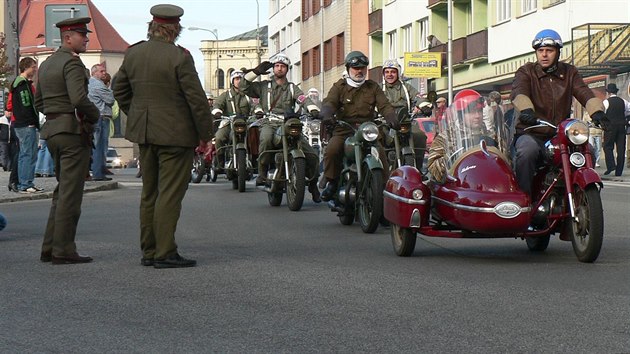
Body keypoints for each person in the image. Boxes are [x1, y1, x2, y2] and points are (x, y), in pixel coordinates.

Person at [113, 4, 213, 268]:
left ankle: (149, 250)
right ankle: (165, 252)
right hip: (176, 135)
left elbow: (119, 88)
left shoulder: (134, 53)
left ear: (153, 26)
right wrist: (206, 135)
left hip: (145, 134)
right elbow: (196, 100)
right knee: (169, 194)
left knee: (150, 193)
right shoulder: (179, 57)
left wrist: (136, 114)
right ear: (174, 29)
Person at [34, 17, 101, 264]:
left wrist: (54, 114)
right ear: (68, 38)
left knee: (62, 191)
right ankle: (63, 250)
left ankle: (49, 247)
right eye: (82, 35)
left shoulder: (47, 63)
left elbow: (38, 102)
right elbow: (79, 99)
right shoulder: (72, 64)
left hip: (52, 131)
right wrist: (95, 116)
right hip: (72, 133)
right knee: (71, 195)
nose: (86, 39)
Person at [511, 29, 606, 197]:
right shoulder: (526, 72)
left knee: (588, 150)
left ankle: (580, 195)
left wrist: (597, 112)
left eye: (549, 50)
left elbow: (583, 92)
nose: (544, 55)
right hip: (532, 132)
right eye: (540, 51)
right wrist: (526, 110)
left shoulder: (570, 72)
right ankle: (523, 200)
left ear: (558, 52)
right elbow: (520, 93)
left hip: (560, 134)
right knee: (527, 152)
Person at [240, 52, 322, 202]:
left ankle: (313, 184)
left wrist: (312, 109)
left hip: (288, 123)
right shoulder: (264, 86)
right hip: (269, 123)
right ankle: (262, 173)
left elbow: (303, 99)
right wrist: (255, 72)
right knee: (265, 139)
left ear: (287, 69)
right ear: (273, 69)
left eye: (282, 66)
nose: (279, 69)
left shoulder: (292, 88)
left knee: (312, 154)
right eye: (277, 66)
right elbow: (243, 86)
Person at [319, 51, 399, 201]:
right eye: (356, 68)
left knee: (380, 153)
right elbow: (330, 102)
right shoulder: (339, 86)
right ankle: (332, 182)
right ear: (348, 68)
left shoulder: (373, 87)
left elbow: (385, 105)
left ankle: (383, 193)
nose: (360, 71)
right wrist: (327, 113)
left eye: (363, 68)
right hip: (344, 129)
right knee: (332, 149)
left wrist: (391, 117)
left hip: (367, 129)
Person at [427, 89, 493, 183]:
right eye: (472, 112)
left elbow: (504, 162)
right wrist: (454, 156)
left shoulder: (491, 135)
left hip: (488, 184)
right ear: (461, 114)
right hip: (460, 185)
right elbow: (433, 167)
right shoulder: (446, 136)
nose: (477, 116)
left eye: (479, 111)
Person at [381, 59, 428, 169]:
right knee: (375, 138)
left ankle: (418, 169)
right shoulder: (379, 89)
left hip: (405, 123)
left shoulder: (407, 88)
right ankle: (378, 171)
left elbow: (418, 97)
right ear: (383, 74)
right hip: (385, 124)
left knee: (420, 136)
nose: (390, 75)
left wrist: (424, 106)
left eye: (393, 72)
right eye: (387, 72)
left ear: (398, 73)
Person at [212, 70, 258, 167]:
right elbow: (217, 105)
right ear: (232, 81)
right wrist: (217, 112)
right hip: (229, 122)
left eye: (240, 79)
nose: (238, 81)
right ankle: (220, 161)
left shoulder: (248, 94)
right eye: (236, 79)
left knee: (256, 134)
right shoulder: (225, 95)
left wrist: (258, 111)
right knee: (219, 137)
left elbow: (255, 105)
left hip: (245, 122)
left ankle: (254, 159)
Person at [11, 57, 43, 194]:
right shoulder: (22, 84)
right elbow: (26, 105)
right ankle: (25, 183)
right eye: (33, 67)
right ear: (27, 67)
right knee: (27, 154)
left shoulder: (23, 83)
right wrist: (31, 121)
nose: (35, 70)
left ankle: (28, 182)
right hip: (25, 124)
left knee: (30, 154)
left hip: (25, 123)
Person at [88, 64, 115, 181]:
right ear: (94, 73)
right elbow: (110, 100)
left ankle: (99, 170)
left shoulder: (90, 83)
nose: (104, 73)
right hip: (101, 116)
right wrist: (110, 93)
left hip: (96, 116)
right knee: (99, 146)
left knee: (98, 145)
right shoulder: (98, 84)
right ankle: (98, 173)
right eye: (101, 71)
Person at [602, 83, 630, 176]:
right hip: (621, 126)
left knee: (607, 146)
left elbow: (603, 114)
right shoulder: (623, 101)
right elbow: (628, 111)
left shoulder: (606, 102)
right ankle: (619, 171)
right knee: (621, 149)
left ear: (608, 92)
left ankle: (611, 165)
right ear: (616, 92)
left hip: (610, 127)